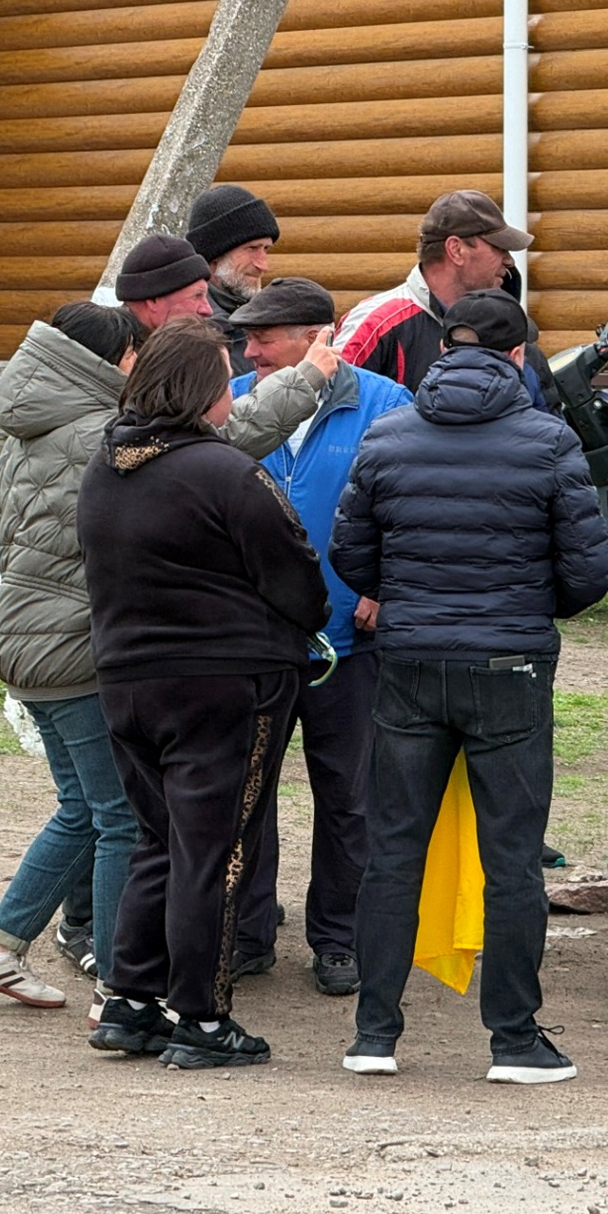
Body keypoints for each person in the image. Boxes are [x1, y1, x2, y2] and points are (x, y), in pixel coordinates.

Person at [330, 289, 608, 1084]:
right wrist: (527, 607)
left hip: (410, 661)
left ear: (447, 349)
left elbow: (351, 555)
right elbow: (590, 568)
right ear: (518, 355)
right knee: (514, 858)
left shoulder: (388, 436)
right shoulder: (547, 440)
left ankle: (374, 1031)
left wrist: (412, 597)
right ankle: (513, 1037)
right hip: (510, 667)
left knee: (392, 851)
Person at [76, 318, 331, 1069]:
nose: (234, 392)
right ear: (202, 391)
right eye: (224, 379)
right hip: (225, 684)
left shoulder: (106, 464)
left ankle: (130, 995)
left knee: (159, 838)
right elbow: (297, 575)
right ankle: (203, 1014)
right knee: (216, 850)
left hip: (125, 680)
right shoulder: (224, 471)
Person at [0, 302, 145, 1012]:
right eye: (131, 355)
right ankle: (121, 985)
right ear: (106, 361)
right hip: (74, 647)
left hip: (23, 639)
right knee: (119, 812)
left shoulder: (24, 428)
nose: (136, 368)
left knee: (82, 809)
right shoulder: (101, 433)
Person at [224, 278, 413, 995]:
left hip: (350, 642)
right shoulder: (239, 398)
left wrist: (382, 584)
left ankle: (339, 938)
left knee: (351, 798)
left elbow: (412, 503)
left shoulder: (386, 406)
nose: (250, 352)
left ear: (314, 336)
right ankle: (247, 931)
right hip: (255, 640)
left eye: (264, 339)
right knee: (247, 794)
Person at [114, 232, 341, 460]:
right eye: (198, 296)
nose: (207, 309)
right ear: (153, 300)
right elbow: (215, 442)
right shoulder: (112, 357)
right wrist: (307, 378)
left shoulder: (144, 355)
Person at [337, 190, 533, 394]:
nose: (509, 260)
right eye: (499, 248)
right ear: (456, 250)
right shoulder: (375, 325)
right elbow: (329, 412)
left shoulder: (505, 323)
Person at [185, 183, 280, 373]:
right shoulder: (191, 331)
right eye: (252, 249)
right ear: (214, 257)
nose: (263, 265)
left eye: (266, 249)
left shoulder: (267, 316)